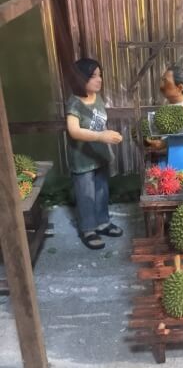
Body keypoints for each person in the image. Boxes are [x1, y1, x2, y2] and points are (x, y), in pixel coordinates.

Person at [66, 58, 124, 250]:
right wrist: (100, 137)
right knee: (86, 194)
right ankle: (88, 229)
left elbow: (100, 123)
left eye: (100, 75)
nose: (99, 80)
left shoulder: (97, 98)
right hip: (82, 159)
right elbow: (73, 131)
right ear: (80, 78)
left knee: (101, 191)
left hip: (99, 156)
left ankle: (103, 222)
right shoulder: (74, 103)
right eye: (93, 77)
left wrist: (108, 142)